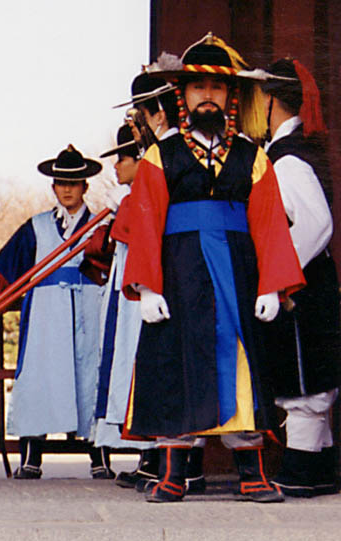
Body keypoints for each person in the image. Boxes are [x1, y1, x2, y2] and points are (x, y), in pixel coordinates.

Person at [119, 33, 305, 503]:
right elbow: (145, 222)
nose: (207, 97)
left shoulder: (252, 156)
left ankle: (253, 472)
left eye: (216, 89)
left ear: (230, 97)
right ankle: (173, 474)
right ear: (183, 96)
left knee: (240, 359)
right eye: (198, 88)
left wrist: (273, 285)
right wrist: (147, 287)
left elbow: (268, 223)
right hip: (179, 276)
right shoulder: (162, 155)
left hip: (237, 275)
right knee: (178, 360)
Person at [0, 145, 110, 479]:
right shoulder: (37, 226)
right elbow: (7, 265)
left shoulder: (102, 225)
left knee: (92, 377)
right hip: (46, 312)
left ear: (86, 185)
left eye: (74, 182)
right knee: (40, 376)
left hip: (90, 309)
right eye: (61, 182)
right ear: (53, 187)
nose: (67, 189)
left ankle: (100, 458)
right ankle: (31, 457)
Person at [259, 58, 340, 497]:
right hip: (307, 282)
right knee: (309, 377)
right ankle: (319, 466)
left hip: (300, 286)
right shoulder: (294, 152)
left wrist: (277, 275)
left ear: (272, 103)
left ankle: (304, 469)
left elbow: (316, 224)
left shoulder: (287, 160)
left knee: (305, 380)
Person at [91, 125, 158, 483]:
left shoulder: (142, 196)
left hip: (143, 290)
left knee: (140, 363)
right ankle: (147, 457)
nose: (116, 167)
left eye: (123, 159)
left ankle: (154, 457)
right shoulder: (130, 198)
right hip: (126, 290)